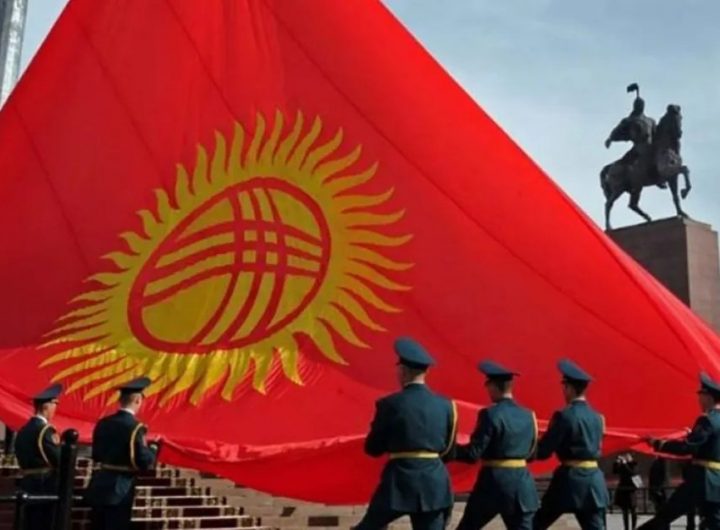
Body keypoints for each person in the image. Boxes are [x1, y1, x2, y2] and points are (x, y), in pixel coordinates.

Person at [353, 337, 457, 530]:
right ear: (426, 372)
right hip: (433, 483)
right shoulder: (447, 406)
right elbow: (449, 451)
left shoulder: (389, 404)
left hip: (398, 481)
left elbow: (373, 448)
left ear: (403, 371)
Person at [452, 360, 539, 529]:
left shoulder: (490, 414)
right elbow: (532, 454)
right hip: (521, 486)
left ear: (493, 386)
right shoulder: (529, 416)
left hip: (491, 485)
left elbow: (473, 453)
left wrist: (448, 449)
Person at [533, 359, 609, 530]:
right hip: (593, 481)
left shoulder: (564, 416)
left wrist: (523, 448)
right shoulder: (598, 418)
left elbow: (544, 450)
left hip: (569, 481)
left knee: (534, 525)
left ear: (569, 388)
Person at [639, 372, 720, 530]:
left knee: (665, 516)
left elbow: (687, 448)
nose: (699, 400)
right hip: (716, 481)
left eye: (700, 396)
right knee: (714, 522)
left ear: (708, 397)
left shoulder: (707, 420)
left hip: (701, 479)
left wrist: (660, 444)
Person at [84, 377, 159, 530]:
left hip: (100, 482)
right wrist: (153, 449)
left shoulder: (103, 423)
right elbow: (143, 460)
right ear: (137, 400)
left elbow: (96, 454)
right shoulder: (135, 427)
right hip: (120, 486)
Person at [15, 384, 63, 530]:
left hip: (27, 483)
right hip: (44, 484)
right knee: (43, 522)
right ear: (46, 406)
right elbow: (58, 459)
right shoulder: (45, 430)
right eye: (55, 404)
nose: (55, 409)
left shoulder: (23, 430)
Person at [613, 453, 640, 530]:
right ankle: (626, 528)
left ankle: (634, 527)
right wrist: (616, 462)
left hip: (631, 491)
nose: (627, 458)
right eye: (625, 457)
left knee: (633, 510)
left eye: (628, 457)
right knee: (625, 512)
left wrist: (625, 465)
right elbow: (615, 471)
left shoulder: (634, 465)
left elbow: (632, 473)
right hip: (623, 491)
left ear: (631, 458)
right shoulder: (623, 465)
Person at [648, 457, 670, 530]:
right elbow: (656, 479)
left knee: (660, 511)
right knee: (662, 511)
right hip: (659, 491)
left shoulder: (658, 463)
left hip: (658, 490)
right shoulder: (659, 464)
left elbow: (654, 479)